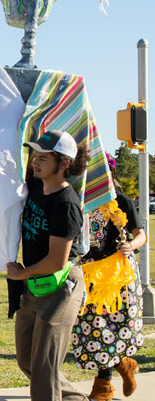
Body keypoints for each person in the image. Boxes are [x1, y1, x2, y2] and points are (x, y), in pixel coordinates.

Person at [6, 130, 88, 401]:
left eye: (43, 158)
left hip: (60, 286)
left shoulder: (65, 203)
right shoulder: (36, 187)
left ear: (64, 163)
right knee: (27, 360)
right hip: (34, 283)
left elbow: (56, 260)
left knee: (45, 369)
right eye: (34, 156)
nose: (35, 162)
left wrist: (21, 273)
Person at [71, 153, 145, 401]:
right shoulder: (79, 202)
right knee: (93, 328)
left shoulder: (121, 201)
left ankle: (103, 387)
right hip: (89, 273)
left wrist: (131, 245)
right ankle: (122, 364)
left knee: (111, 326)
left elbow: (142, 235)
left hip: (118, 276)